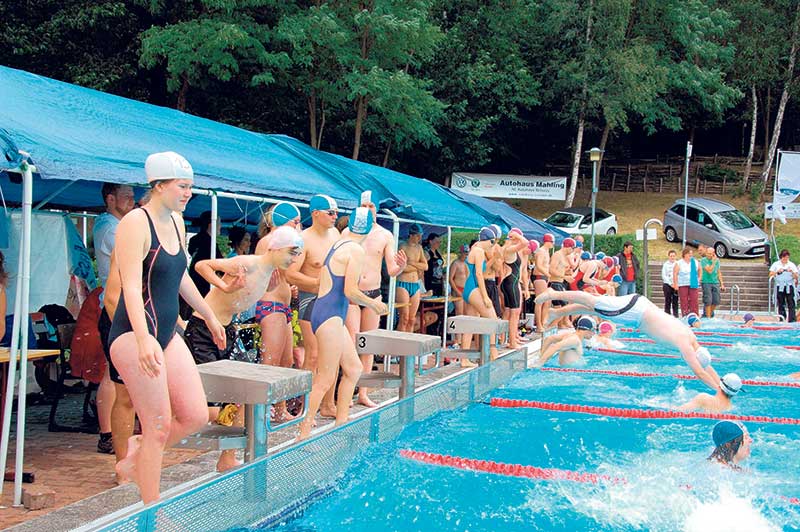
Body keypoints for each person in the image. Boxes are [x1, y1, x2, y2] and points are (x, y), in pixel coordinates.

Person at [109, 152, 226, 503]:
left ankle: (138, 451)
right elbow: (130, 286)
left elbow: (181, 278)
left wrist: (208, 314)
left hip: (166, 333)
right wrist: (144, 339)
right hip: (133, 334)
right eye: (183, 186)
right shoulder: (135, 223)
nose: (189, 193)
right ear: (159, 186)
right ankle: (152, 511)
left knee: (193, 415)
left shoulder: (176, 221)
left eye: (190, 186)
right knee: (158, 426)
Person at [188, 225, 303, 471]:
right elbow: (201, 266)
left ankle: (227, 457)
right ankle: (160, 431)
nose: (294, 259)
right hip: (203, 329)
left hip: (226, 331)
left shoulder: (269, 274)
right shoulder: (247, 263)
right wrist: (225, 286)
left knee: (245, 395)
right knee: (204, 407)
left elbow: (247, 297)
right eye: (292, 252)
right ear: (276, 248)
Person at [298, 208, 389, 440]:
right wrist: (374, 304)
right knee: (325, 378)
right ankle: (304, 431)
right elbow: (350, 291)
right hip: (329, 315)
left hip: (328, 313)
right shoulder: (356, 250)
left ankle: (341, 421)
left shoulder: (340, 243)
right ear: (368, 229)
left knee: (354, 369)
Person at [535, 289, 722, 391]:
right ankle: (554, 294)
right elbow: (700, 372)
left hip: (637, 313)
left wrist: (720, 382)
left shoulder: (693, 340)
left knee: (595, 309)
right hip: (636, 312)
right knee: (593, 302)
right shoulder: (685, 343)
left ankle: (559, 312)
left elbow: (705, 366)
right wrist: (720, 391)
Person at [341, 192, 407, 408]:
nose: (367, 209)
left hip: (373, 293)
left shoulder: (385, 235)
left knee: (367, 345)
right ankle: (347, 391)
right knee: (350, 343)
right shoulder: (348, 232)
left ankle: (363, 393)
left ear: (376, 209)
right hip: (351, 294)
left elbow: (392, 269)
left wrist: (402, 266)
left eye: (371, 205)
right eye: (364, 205)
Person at [93, 183, 135, 454]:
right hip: (116, 308)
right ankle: (107, 433)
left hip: (119, 307)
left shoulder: (109, 224)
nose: (132, 201)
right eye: (126, 197)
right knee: (114, 379)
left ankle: (111, 433)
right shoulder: (113, 228)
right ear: (110, 199)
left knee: (116, 378)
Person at [253, 202, 304, 416]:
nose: (299, 226)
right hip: (270, 306)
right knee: (270, 364)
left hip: (281, 307)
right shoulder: (269, 242)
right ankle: (262, 411)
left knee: (285, 362)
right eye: (296, 222)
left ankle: (280, 408)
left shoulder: (279, 242)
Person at [286, 195, 340, 379]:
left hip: (333, 300)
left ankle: (324, 403)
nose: (335, 217)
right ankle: (303, 404)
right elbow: (290, 274)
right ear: (316, 214)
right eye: (331, 213)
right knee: (314, 354)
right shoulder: (302, 240)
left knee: (331, 354)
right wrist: (318, 283)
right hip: (310, 300)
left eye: (337, 213)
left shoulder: (335, 234)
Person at [460, 227, 500, 365]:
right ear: (489, 240)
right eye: (493, 242)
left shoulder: (475, 249)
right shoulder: (479, 251)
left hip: (469, 288)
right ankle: (493, 354)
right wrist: (485, 297)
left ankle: (464, 359)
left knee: (470, 324)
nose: (493, 246)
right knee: (493, 320)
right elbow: (478, 274)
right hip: (474, 288)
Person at [499, 229, 529, 348]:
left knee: (508, 312)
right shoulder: (509, 249)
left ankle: (506, 339)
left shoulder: (509, 248)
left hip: (510, 283)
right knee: (514, 313)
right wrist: (516, 235)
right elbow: (525, 242)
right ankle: (512, 342)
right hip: (511, 283)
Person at [397, 223, 427, 332]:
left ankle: (408, 346)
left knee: (412, 319)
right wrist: (417, 267)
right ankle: (398, 345)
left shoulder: (419, 248)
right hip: (403, 284)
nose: (420, 238)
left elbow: (425, 266)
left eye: (420, 236)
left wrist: (411, 263)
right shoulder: (402, 246)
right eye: (418, 236)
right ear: (411, 235)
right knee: (404, 318)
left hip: (415, 285)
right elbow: (400, 268)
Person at [187, 210, 223, 297]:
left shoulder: (193, 240)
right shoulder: (210, 243)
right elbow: (221, 266)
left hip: (193, 280)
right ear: (211, 225)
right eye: (219, 223)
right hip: (204, 284)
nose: (221, 226)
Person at [547, 237, 576, 327]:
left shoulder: (563, 256)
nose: (572, 251)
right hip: (555, 283)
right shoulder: (557, 255)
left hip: (559, 283)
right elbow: (551, 270)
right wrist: (565, 277)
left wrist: (566, 271)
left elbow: (559, 269)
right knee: (565, 307)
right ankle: (551, 326)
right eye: (572, 249)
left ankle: (555, 325)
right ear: (568, 247)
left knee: (560, 307)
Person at [532, 233, 555, 331]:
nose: (553, 245)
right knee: (540, 301)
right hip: (539, 277)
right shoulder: (541, 251)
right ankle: (539, 325)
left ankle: (543, 323)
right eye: (552, 242)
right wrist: (547, 274)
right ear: (549, 242)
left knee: (547, 301)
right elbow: (538, 265)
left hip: (544, 277)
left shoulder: (546, 252)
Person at [769, 249, 798, 322]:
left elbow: (796, 276)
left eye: (787, 258)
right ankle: (782, 318)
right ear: (781, 257)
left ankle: (792, 320)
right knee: (781, 303)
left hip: (789, 285)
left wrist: (791, 272)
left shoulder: (791, 264)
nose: (785, 259)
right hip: (780, 285)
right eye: (784, 258)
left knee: (791, 303)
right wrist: (777, 272)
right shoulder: (776, 264)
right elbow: (770, 274)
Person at [674, 247, 701, 317]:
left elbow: (700, 270)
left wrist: (699, 278)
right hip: (682, 284)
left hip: (693, 283)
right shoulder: (679, 263)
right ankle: (685, 315)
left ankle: (695, 316)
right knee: (684, 301)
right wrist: (675, 284)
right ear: (685, 254)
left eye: (691, 253)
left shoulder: (695, 261)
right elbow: (675, 273)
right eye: (689, 253)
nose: (691, 255)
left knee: (694, 300)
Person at [701, 246, 725, 318]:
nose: (709, 255)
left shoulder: (717, 261)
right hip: (706, 282)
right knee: (708, 300)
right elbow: (709, 270)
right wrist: (714, 262)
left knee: (716, 300)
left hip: (715, 282)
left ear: (713, 254)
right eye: (708, 253)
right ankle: (708, 317)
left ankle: (708, 314)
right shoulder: (703, 260)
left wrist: (722, 284)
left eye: (711, 254)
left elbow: (718, 272)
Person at [423, 232, 445, 297]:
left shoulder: (438, 253)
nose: (439, 244)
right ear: (431, 241)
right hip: (429, 282)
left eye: (439, 242)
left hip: (439, 282)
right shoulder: (426, 253)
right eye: (437, 242)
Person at [661, 249, 679, 317]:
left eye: (673, 256)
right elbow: (664, 275)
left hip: (676, 284)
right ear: (669, 256)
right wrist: (670, 283)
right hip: (667, 285)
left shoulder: (678, 264)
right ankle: (667, 315)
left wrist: (675, 284)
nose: (672, 257)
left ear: (675, 256)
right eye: (671, 256)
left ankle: (676, 315)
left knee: (675, 301)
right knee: (667, 300)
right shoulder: (665, 264)